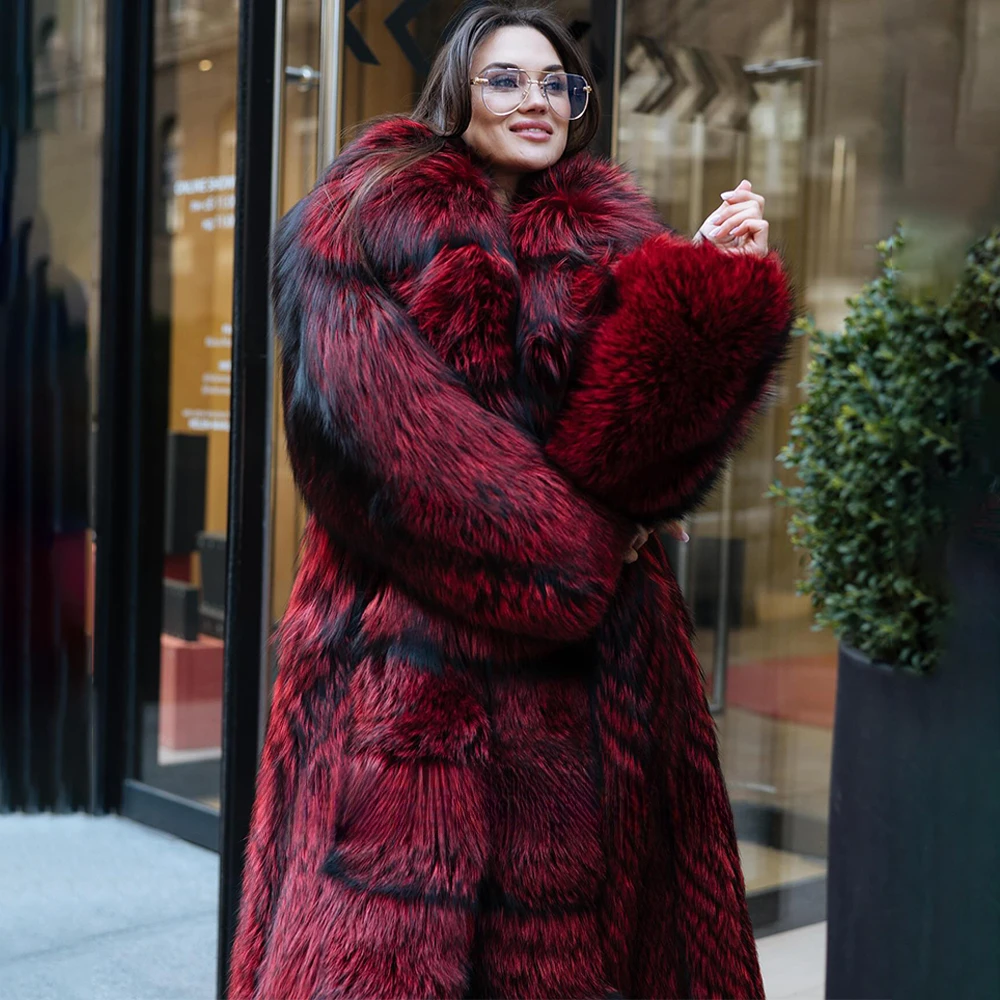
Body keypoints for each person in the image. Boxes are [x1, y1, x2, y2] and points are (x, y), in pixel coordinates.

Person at [229, 4, 792, 998]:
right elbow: (380, 457)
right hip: (408, 682)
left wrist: (699, 282)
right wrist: (575, 550)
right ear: (457, 94)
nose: (536, 100)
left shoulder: (611, 234)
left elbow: (637, 459)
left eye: (556, 83)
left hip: (589, 692)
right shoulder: (361, 219)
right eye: (505, 79)